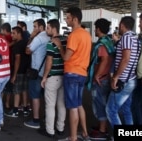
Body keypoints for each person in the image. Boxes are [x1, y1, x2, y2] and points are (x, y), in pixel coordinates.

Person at [53, 7, 92, 141]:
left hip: (72, 73)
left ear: (75, 19)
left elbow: (66, 57)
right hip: (82, 73)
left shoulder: (74, 35)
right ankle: (85, 133)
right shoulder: (86, 34)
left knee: (73, 107)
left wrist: (59, 45)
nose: (66, 20)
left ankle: (73, 137)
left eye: (68, 17)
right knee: (79, 104)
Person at [106, 16, 141, 128]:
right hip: (131, 79)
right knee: (126, 110)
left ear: (122, 25)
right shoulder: (136, 38)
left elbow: (125, 59)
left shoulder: (126, 37)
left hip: (123, 80)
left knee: (111, 110)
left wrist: (115, 77)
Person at [85, 18, 115, 140]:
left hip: (101, 79)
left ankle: (102, 130)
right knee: (102, 102)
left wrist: (97, 75)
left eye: (95, 28)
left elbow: (105, 60)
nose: (94, 30)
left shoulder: (102, 44)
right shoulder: (109, 41)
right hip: (106, 77)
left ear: (98, 29)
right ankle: (101, 126)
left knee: (99, 103)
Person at [39, 19, 67, 138]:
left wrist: (44, 77)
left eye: (48, 28)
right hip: (63, 76)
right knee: (61, 104)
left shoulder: (51, 43)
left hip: (53, 77)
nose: (46, 30)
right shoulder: (66, 40)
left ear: (54, 28)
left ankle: (50, 130)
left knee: (50, 105)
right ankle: (60, 128)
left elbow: (49, 62)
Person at [24, 18, 50, 129]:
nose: (33, 29)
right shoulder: (49, 37)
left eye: (35, 26)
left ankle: (36, 120)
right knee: (46, 97)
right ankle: (46, 118)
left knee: (35, 96)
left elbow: (27, 51)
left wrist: (31, 36)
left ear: (40, 27)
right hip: (47, 72)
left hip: (36, 71)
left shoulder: (38, 38)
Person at [4, 26, 30, 118]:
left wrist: (14, 75)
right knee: (24, 90)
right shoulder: (26, 43)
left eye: (13, 33)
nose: (11, 35)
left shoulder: (17, 46)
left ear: (19, 34)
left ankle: (15, 111)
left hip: (18, 71)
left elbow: (17, 60)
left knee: (16, 91)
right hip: (26, 70)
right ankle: (26, 109)